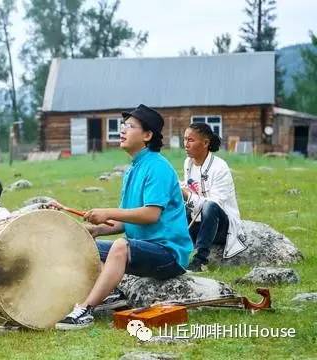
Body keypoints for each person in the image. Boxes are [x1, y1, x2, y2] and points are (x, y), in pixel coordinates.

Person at [55, 104, 193, 331]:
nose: (122, 130)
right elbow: (124, 221)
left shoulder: (157, 167)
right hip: (141, 248)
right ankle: (111, 295)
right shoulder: (132, 169)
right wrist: (97, 230)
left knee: (120, 247)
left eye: (130, 126)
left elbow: (151, 214)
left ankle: (85, 310)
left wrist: (107, 212)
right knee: (84, 244)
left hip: (168, 254)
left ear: (147, 135)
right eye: (122, 126)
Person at [181, 123, 246, 272]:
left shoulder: (220, 167)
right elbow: (191, 188)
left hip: (221, 226)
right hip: (198, 221)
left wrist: (186, 194)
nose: (186, 144)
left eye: (190, 140)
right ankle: (175, 252)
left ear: (205, 143)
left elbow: (214, 205)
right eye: (184, 139)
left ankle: (200, 260)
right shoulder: (188, 163)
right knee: (176, 205)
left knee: (209, 206)